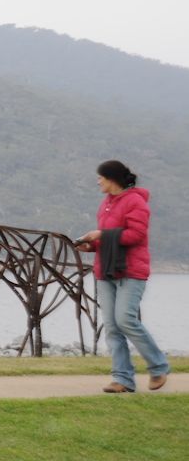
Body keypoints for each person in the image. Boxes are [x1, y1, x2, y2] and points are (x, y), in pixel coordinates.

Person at [75, 160, 167, 393]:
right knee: (113, 327)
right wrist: (92, 246)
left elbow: (136, 235)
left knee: (126, 320)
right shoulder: (105, 204)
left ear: (111, 179)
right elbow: (110, 239)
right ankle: (123, 379)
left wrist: (101, 235)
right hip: (106, 270)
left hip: (130, 270)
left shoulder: (136, 202)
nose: (98, 181)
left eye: (101, 177)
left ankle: (158, 366)